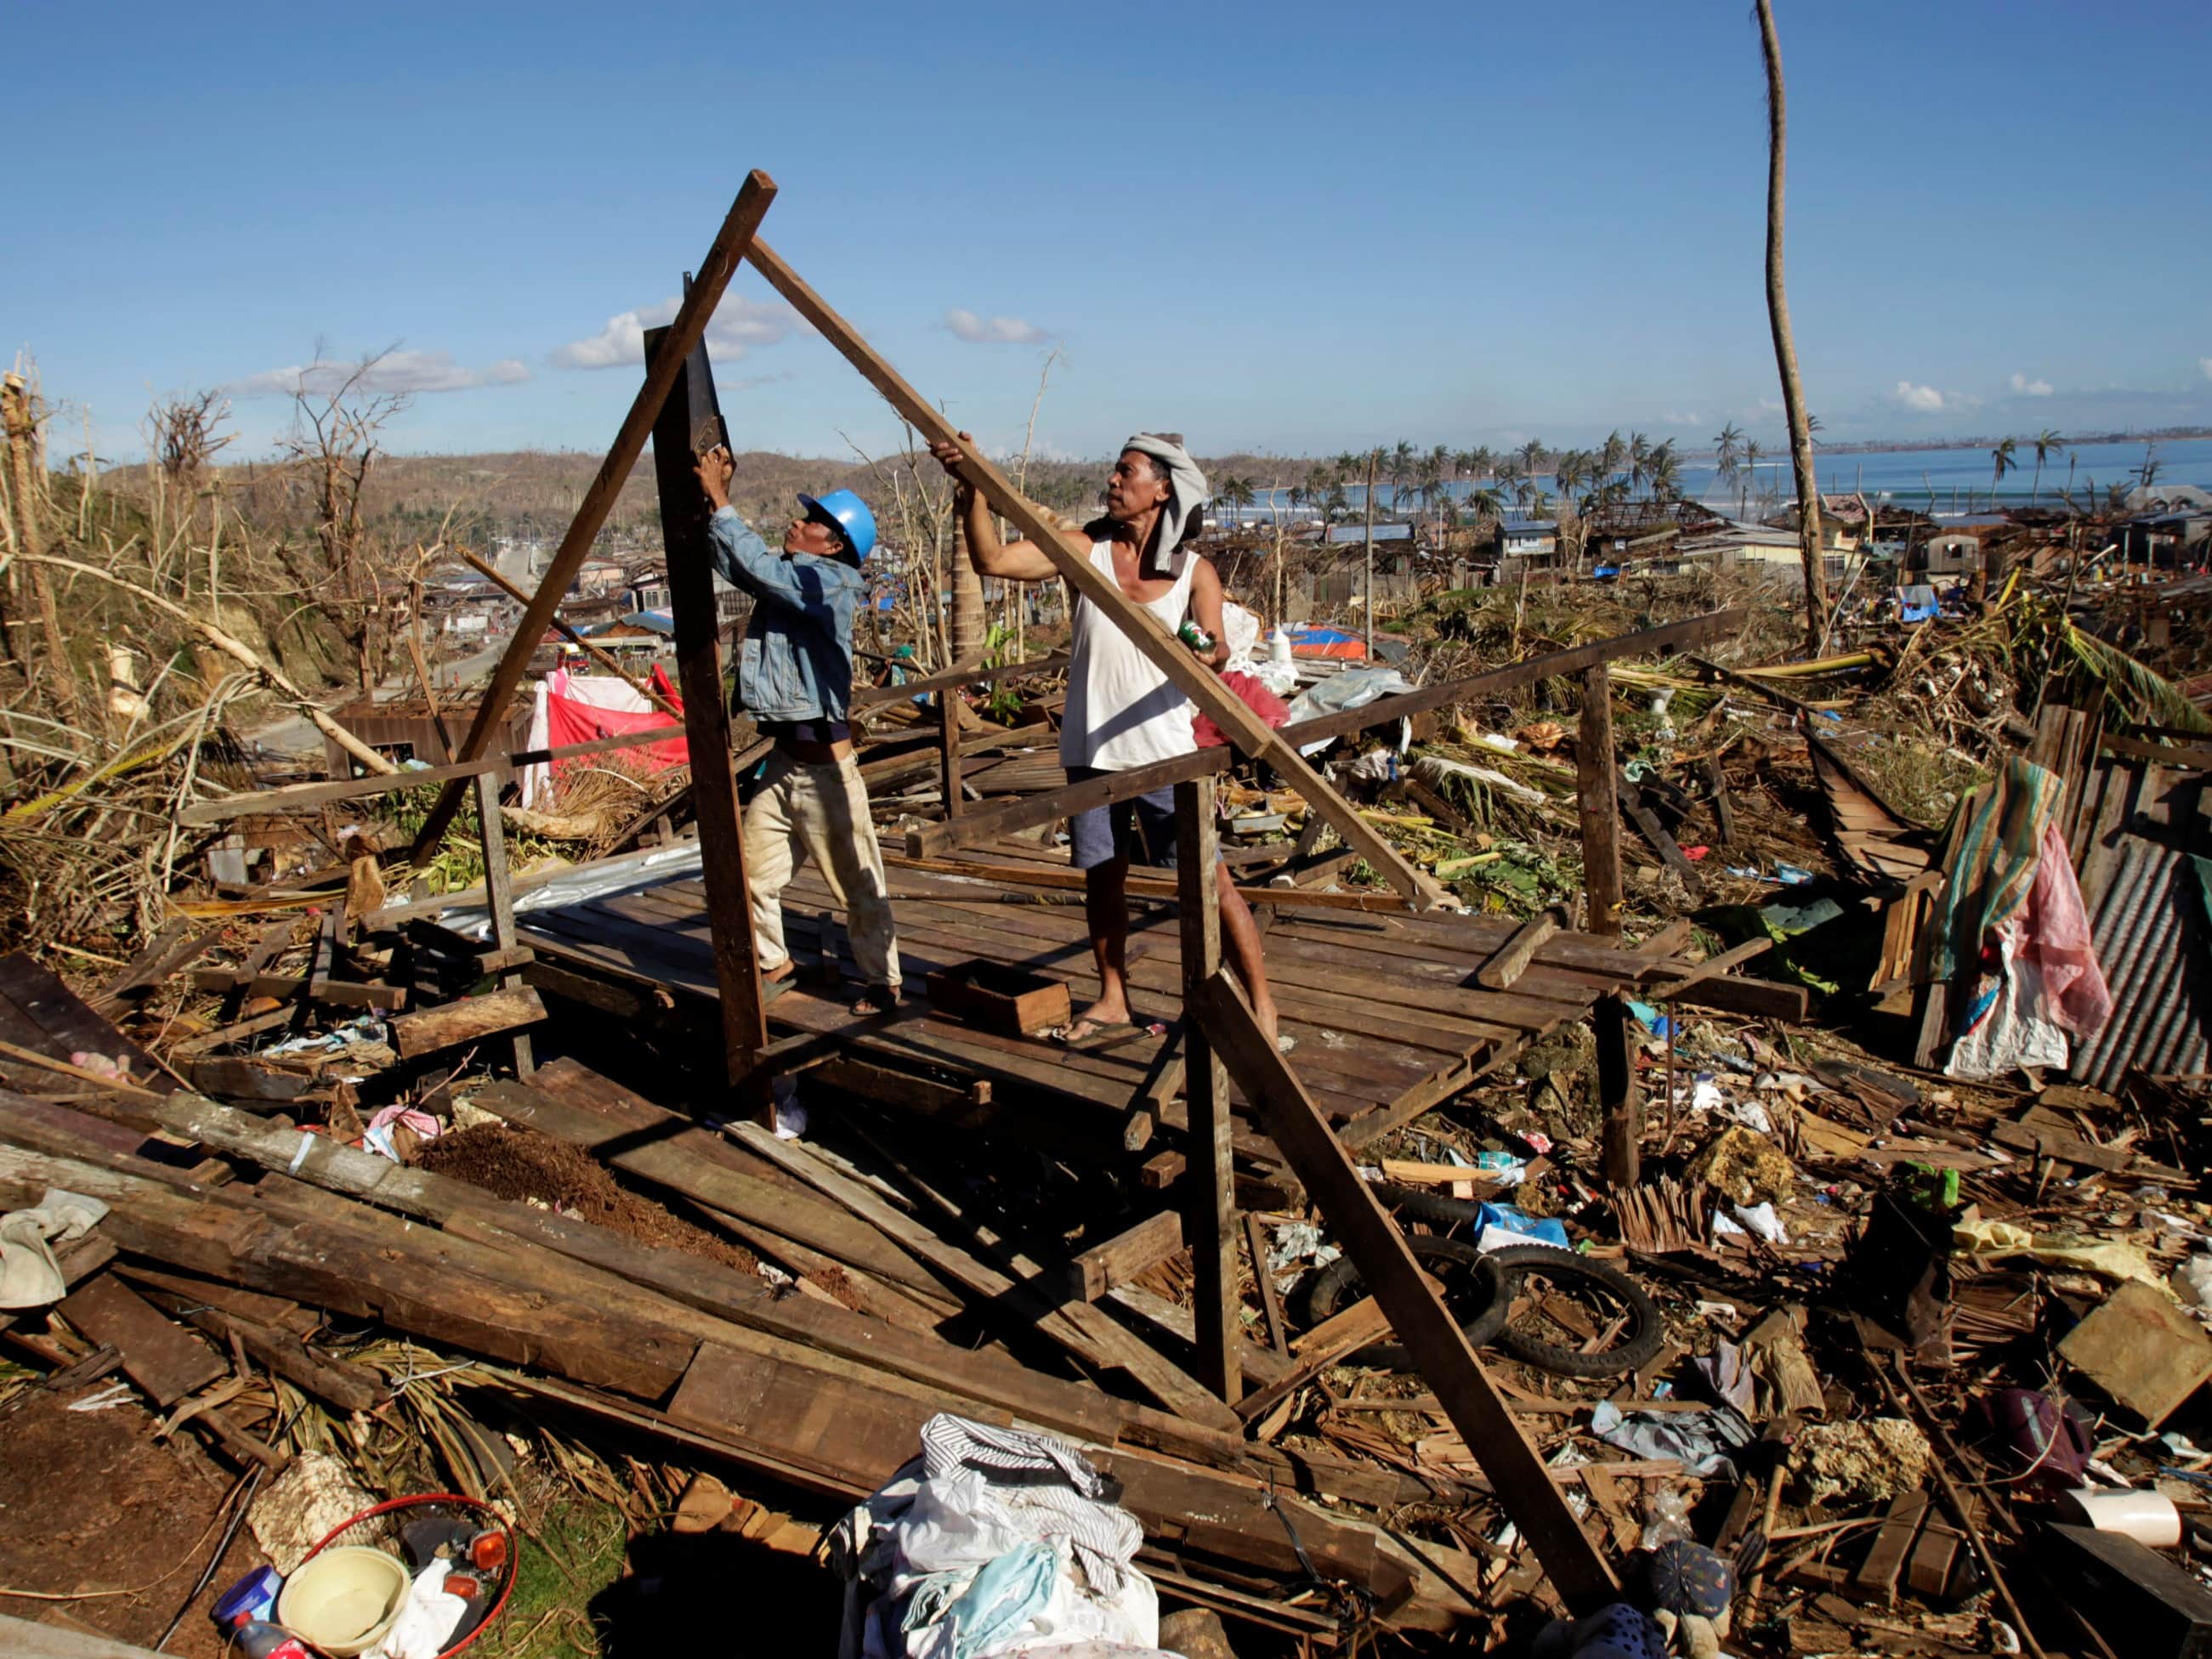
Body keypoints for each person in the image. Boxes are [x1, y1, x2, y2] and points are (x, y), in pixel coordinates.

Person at [927, 430, 1280, 1048]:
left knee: (1212, 881)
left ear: (1163, 488)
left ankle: (1262, 1007)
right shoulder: (1084, 549)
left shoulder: (1195, 572)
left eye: (1127, 472)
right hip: (1091, 751)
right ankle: (1114, 998)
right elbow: (993, 562)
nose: (1113, 481)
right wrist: (971, 490)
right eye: (1115, 472)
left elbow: (1219, 646)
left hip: (1165, 755)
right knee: (1103, 878)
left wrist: (1206, 649)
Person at [694, 445, 900, 1015]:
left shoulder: (830, 583)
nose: (797, 522)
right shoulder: (791, 577)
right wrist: (714, 512)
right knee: (751, 873)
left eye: (811, 522)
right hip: (786, 764)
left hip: (827, 772)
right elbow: (741, 566)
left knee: (858, 883)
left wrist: (720, 499)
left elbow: (757, 569)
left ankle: (884, 984)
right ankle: (775, 962)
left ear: (834, 546)